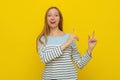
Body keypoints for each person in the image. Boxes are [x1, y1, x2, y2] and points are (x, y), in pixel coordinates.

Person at [36, 6, 97, 80]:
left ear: (60, 19)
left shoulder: (70, 37)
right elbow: (44, 58)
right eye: (49, 15)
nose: (52, 18)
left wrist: (90, 49)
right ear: (46, 19)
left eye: (56, 15)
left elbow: (80, 64)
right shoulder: (42, 39)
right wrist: (66, 43)